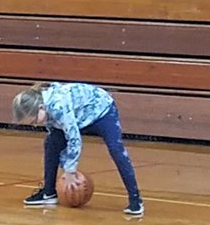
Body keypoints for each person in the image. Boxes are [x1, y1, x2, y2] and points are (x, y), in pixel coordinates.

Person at [12, 81, 143, 216]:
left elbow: (74, 139)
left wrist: (70, 171)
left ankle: (135, 199)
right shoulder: (45, 112)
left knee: (116, 149)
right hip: (77, 116)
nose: (34, 125)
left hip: (101, 111)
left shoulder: (58, 106)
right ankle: (49, 192)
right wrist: (65, 167)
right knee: (51, 144)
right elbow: (61, 144)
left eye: (34, 121)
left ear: (41, 107)